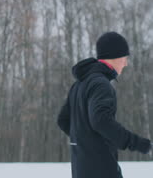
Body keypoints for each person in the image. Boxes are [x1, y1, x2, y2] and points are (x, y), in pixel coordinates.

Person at [57, 31, 151, 178]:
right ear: (115, 57)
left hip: (80, 169)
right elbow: (101, 121)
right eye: (125, 58)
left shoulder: (79, 84)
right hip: (102, 169)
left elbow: (63, 120)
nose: (126, 63)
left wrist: (85, 141)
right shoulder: (101, 85)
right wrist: (138, 143)